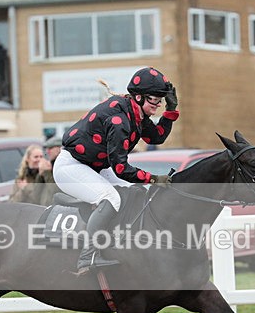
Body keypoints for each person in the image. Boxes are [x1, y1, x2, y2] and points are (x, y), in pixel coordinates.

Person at [53, 66, 178, 274]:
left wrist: (171, 112)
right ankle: (88, 256)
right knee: (111, 198)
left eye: (160, 99)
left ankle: (124, 243)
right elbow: (121, 168)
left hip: (95, 166)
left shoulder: (134, 113)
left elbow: (156, 137)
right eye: (154, 99)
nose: (158, 103)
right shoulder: (119, 120)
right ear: (138, 97)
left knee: (139, 192)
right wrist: (154, 179)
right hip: (71, 166)